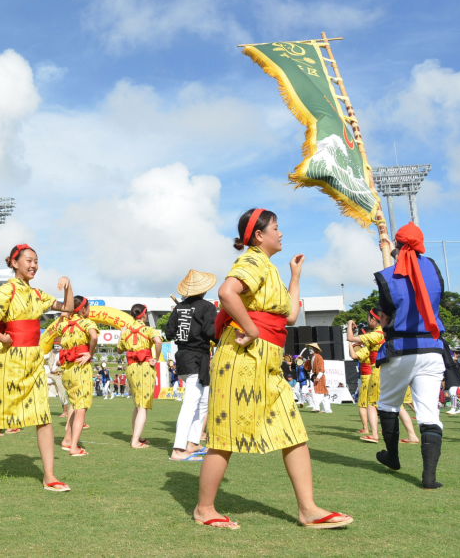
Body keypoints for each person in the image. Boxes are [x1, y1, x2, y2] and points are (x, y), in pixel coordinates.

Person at [195, 208, 351, 530]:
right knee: (224, 437)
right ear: (258, 236)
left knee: (294, 430)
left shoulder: (269, 268)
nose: (281, 233)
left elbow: (290, 317)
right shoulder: (252, 260)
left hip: (266, 361)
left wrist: (295, 276)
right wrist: (251, 329)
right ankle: (204, 509)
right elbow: (226, 293)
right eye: (276, 228)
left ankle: (308, 509)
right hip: (242, 356)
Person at [0, 244, 74, 492]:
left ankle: (49, 476)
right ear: (14, 263)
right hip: (12, 361)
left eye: (36, 261)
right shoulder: (7, 290)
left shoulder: (37, 294)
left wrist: (69, 286)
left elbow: (68, 308)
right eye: (28, 260)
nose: (34, 265)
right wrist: (2, 337)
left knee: (44, 417)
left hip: (34, 359)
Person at [372, 222, 455, 490]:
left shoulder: (386, 276)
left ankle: (392, 457)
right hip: (432, 349)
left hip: (400, 349)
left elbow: (384, 317)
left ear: (397, 245)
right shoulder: (433, 267)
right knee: (429, 413)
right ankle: (429, 478)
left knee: (387, 405)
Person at [165, 269, 217, 461]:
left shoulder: (178, 309)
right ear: (204, 289)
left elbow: (169, 333)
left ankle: (193, 442)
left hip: (186, 357)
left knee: (204, 399)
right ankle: (178, 449)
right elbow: (212, 332)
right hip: (196, 357)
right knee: (191, 403)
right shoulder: (206, 307)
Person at [40, 296, 98, 456]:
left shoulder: (65, 325)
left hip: (67, 370)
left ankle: (67, 440)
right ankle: (74, 447)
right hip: (80, 368)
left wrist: (64, 315)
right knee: (81, 409)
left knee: (74, 404)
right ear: (84, 309)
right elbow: (93, 336)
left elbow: (58, 327)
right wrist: (90, 354)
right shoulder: (87, 323)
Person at [116, 304, 162, 448]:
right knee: (143, 406)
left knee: (137, 405)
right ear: (144, 315)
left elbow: (118, 350)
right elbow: (158, 341)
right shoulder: (148, 329)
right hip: (145, 367)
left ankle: (137, 436)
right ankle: (135, 441)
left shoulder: (127, 330)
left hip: (131, 368)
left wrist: (122, 334)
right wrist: (157, 357)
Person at [305, 344, 332, 414]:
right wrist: (301, 359)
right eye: (309, 348)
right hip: (314, 376)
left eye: (311, 348)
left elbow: (321, 368)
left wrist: (318, 376)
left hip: (319, 377)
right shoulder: (312, 357)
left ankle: (316, 407)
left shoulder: (319, 357)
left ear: (315, 349)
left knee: (318, 392)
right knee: (323, 394)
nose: (310, 350)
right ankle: (327, 409)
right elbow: (307, 366)